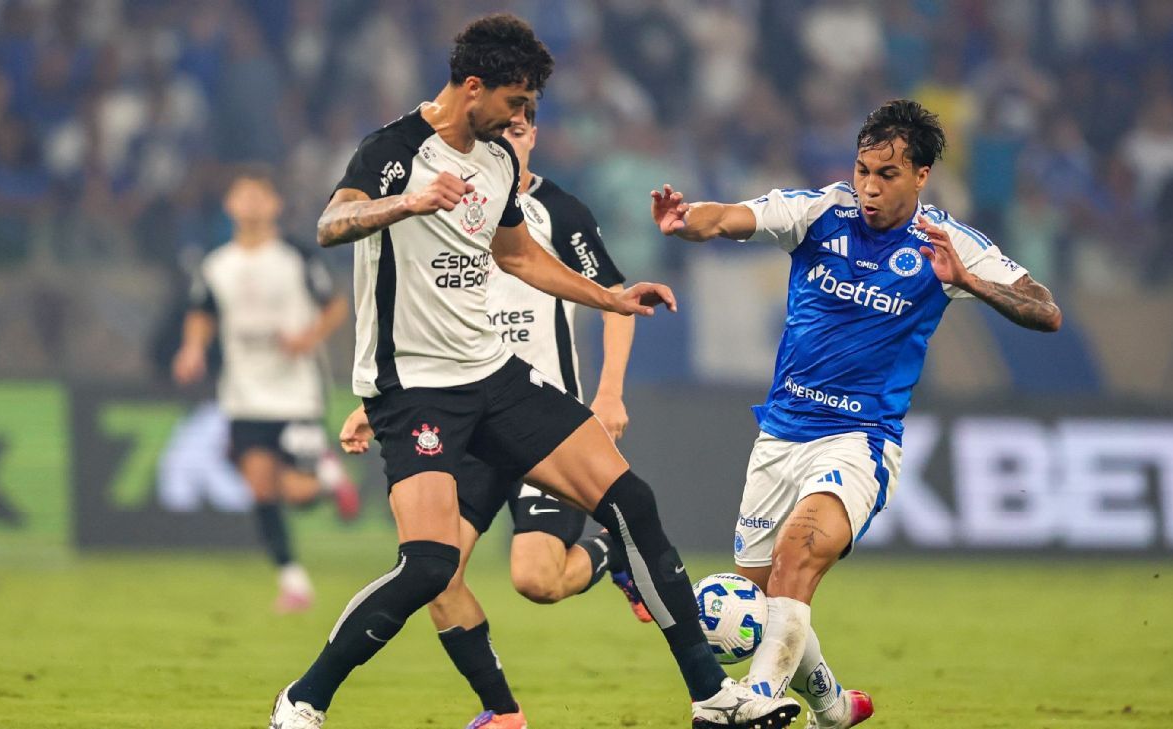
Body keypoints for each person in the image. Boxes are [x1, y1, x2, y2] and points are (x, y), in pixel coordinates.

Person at [267, 14, 799, 729]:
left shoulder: (494, 164)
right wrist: (409, 202)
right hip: (414, 389)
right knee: (429, 566)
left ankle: (712, 697)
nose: (524, 119)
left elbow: (518, 256)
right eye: (516, 104)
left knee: (631, 499)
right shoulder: (394, 151)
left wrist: (608, 294)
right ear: (474, 86)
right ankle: (303, 700)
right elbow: (331, 225)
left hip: (495, 378)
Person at [649, 99, 1062, 728]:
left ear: (922, 176)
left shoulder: (946, 243)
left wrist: (970, 283)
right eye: (864, 169)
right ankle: (834, 708)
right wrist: (688, 220)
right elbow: (735, 217)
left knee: (797, 556)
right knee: (763, 604)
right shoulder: (821, 212)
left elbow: (1045, 309)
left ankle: (753, 704)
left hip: (859, 441)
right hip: (779, 437)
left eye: (887, 175)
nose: (869, 186)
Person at [412, 105, 650, 729]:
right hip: (471, 419)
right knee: (435, 576)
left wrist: (610, 393)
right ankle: (503, 712)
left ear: (535, 136)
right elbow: (419, 310)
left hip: (546, 427)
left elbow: (618, 303)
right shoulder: (449, 207)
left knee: (537, 581)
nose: (509, 143)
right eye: (499, 133)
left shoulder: (560, 213)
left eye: (519, 132)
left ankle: (609, 552)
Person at [173, 170, 359, 613]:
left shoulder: (295, 255)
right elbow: (202, 312)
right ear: (230, 205)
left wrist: (308, 338)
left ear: (275, 205)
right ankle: (293, 582)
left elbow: (335, 306)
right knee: (260, 488)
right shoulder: (216, 263)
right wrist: (193, 348)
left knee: (297, 492)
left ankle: (326, 473)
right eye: (244, 195)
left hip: (295, 390)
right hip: (245, 392)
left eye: (261, 195)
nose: (253, 203)